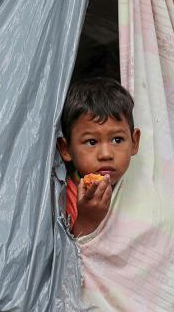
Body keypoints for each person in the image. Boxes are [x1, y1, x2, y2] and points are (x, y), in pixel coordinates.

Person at [57, 77, 141, 238]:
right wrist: (87, 220)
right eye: (91, 142)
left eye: (117, 140)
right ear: (66, 149)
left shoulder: (143, 191)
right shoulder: (61, 200)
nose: (106, 154)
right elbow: (68, 258)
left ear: (134, 142)